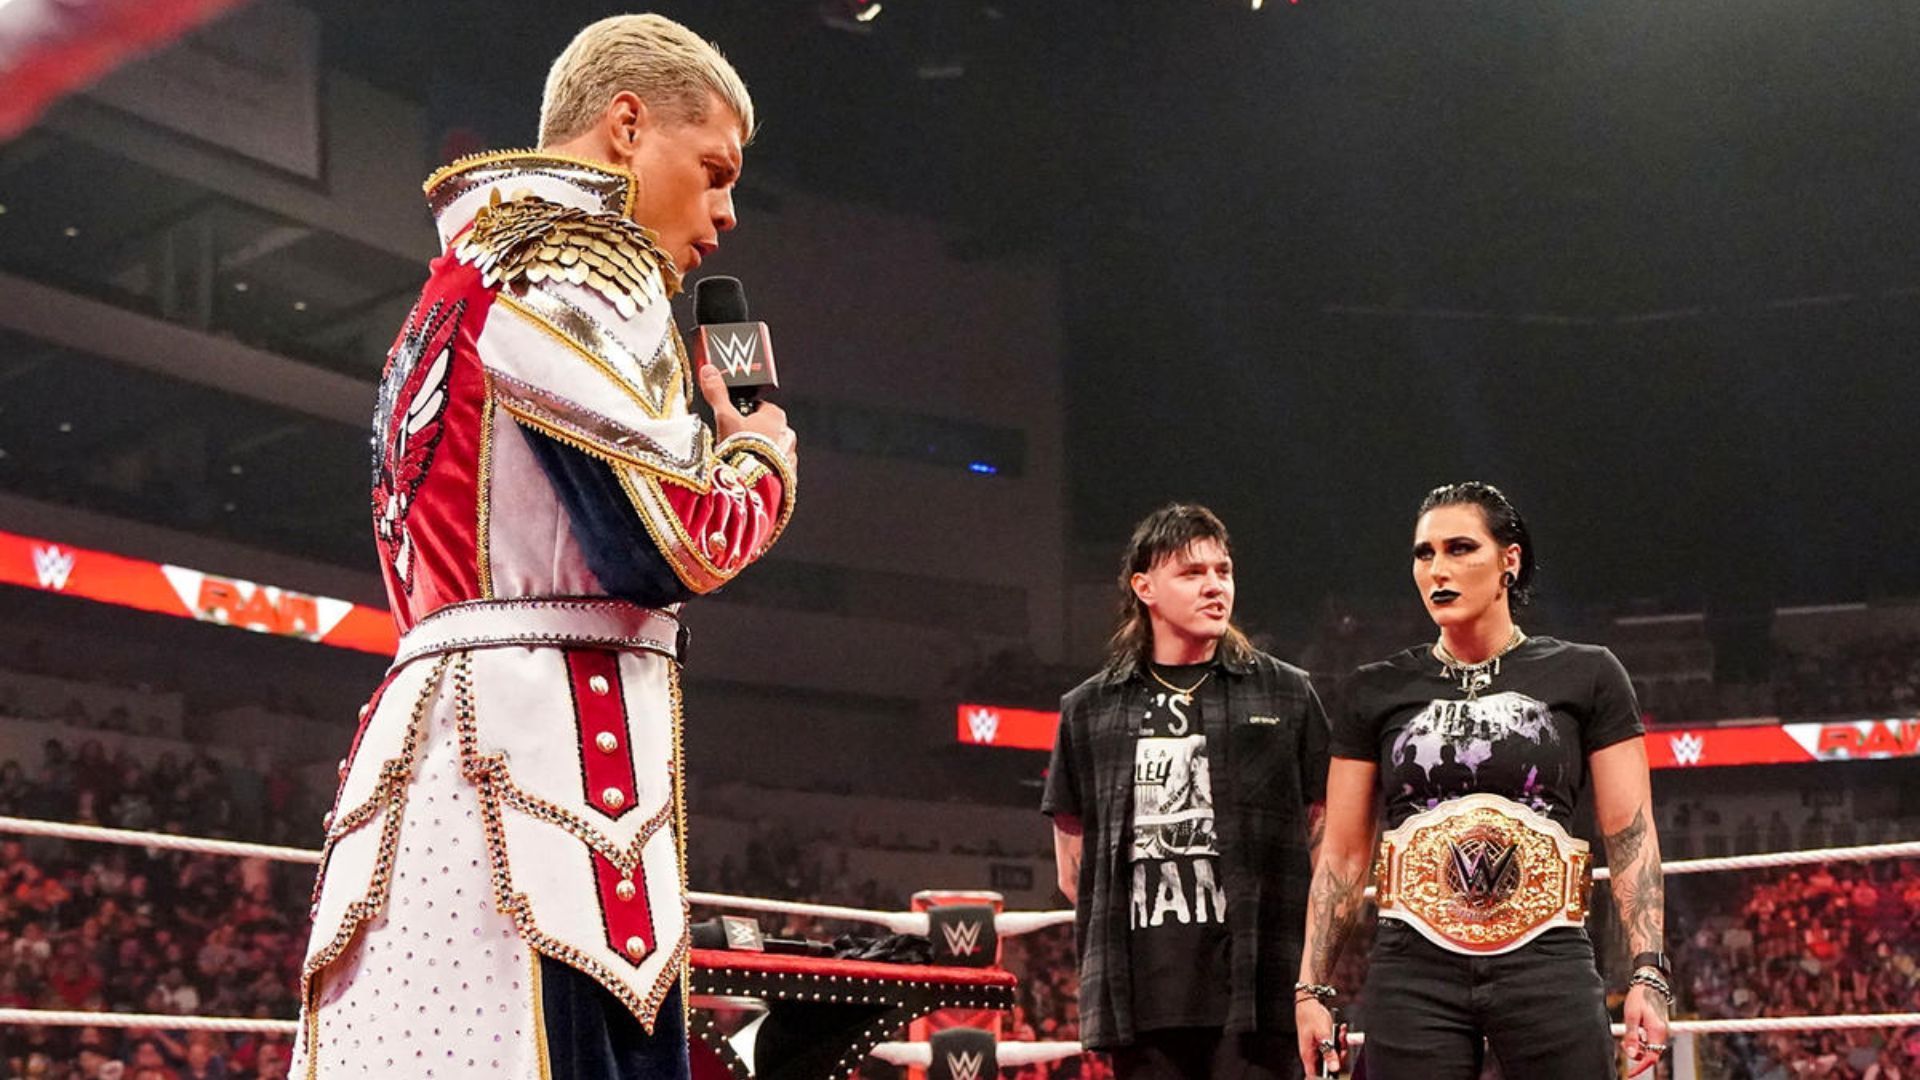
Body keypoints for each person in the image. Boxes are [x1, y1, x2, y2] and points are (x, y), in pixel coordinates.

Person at [292, 14, 797, 1079]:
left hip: (429, 756)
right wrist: (759, 457)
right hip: (546, 771)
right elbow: (672, 543)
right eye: (712, 171)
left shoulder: (449, 288)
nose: (726, 214)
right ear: (625, 128)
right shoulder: (584, 260)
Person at [1295, 482, 1670, 1079]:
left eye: (1460, 548)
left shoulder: (1589, 674)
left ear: (1509, 562)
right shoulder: (1374, 689)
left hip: (1547, 957)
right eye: (1424, 553)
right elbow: (1341, 853)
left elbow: (1631, 834)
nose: (1437, 569)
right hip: (1414, 966)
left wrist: (1648, 973)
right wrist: (1311, 988)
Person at [1044, 503, 1329, 1079]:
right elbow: (1073, 870)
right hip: (1141, 1001)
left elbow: (1326, 843)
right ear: (1144, 587)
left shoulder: (1287, 695)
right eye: (1192, 572)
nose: (1214, 586)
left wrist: (1311, 982)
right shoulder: (1088, 709)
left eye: (1222, 571)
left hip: (1259, 996)